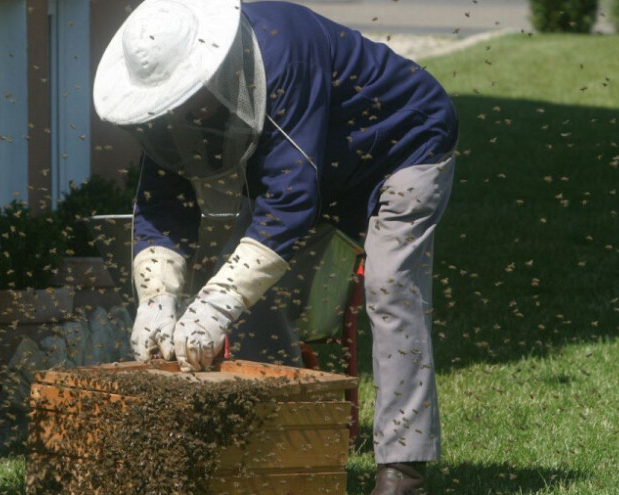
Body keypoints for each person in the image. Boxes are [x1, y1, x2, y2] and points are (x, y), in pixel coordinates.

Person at [92, 1, 458, 493]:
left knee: (391, 287)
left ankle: (403, 468)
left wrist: (214, 304)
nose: (185, 113)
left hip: (402, 145)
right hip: (315, 165)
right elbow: (162, 205)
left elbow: (288, 203)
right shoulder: (173, 104)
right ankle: (281, 447)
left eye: (189, 101)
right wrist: (156, 297)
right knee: (251, 303)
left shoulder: (282, 52)